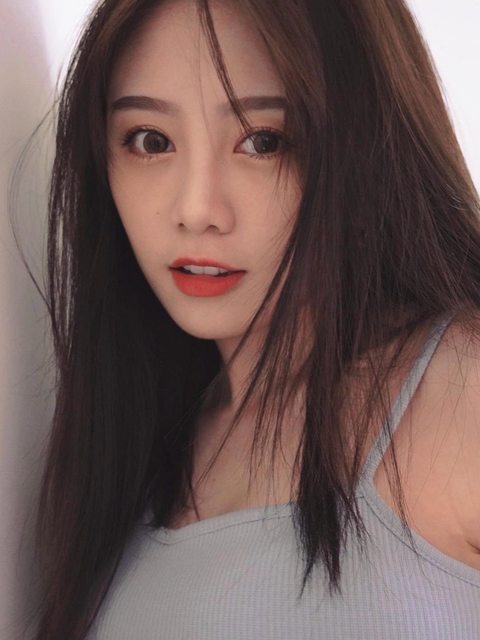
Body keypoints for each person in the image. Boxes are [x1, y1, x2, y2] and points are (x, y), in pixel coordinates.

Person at [22, 0, 480, 638]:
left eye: (262, 142)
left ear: (370, 144)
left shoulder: (458, 391)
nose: (196, 208)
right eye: (150, 141)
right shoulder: (129, 456)